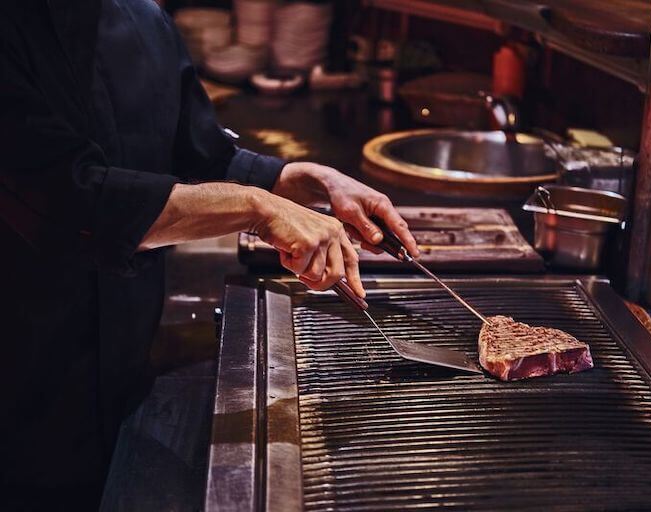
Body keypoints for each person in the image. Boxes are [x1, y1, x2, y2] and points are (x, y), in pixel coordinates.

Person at [0, 0, 418, 508]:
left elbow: (203, 155)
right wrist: (255, 207)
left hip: (126, 377)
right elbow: (70, 201)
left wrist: (305, 181)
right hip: (24, 388)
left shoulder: (144, 20)